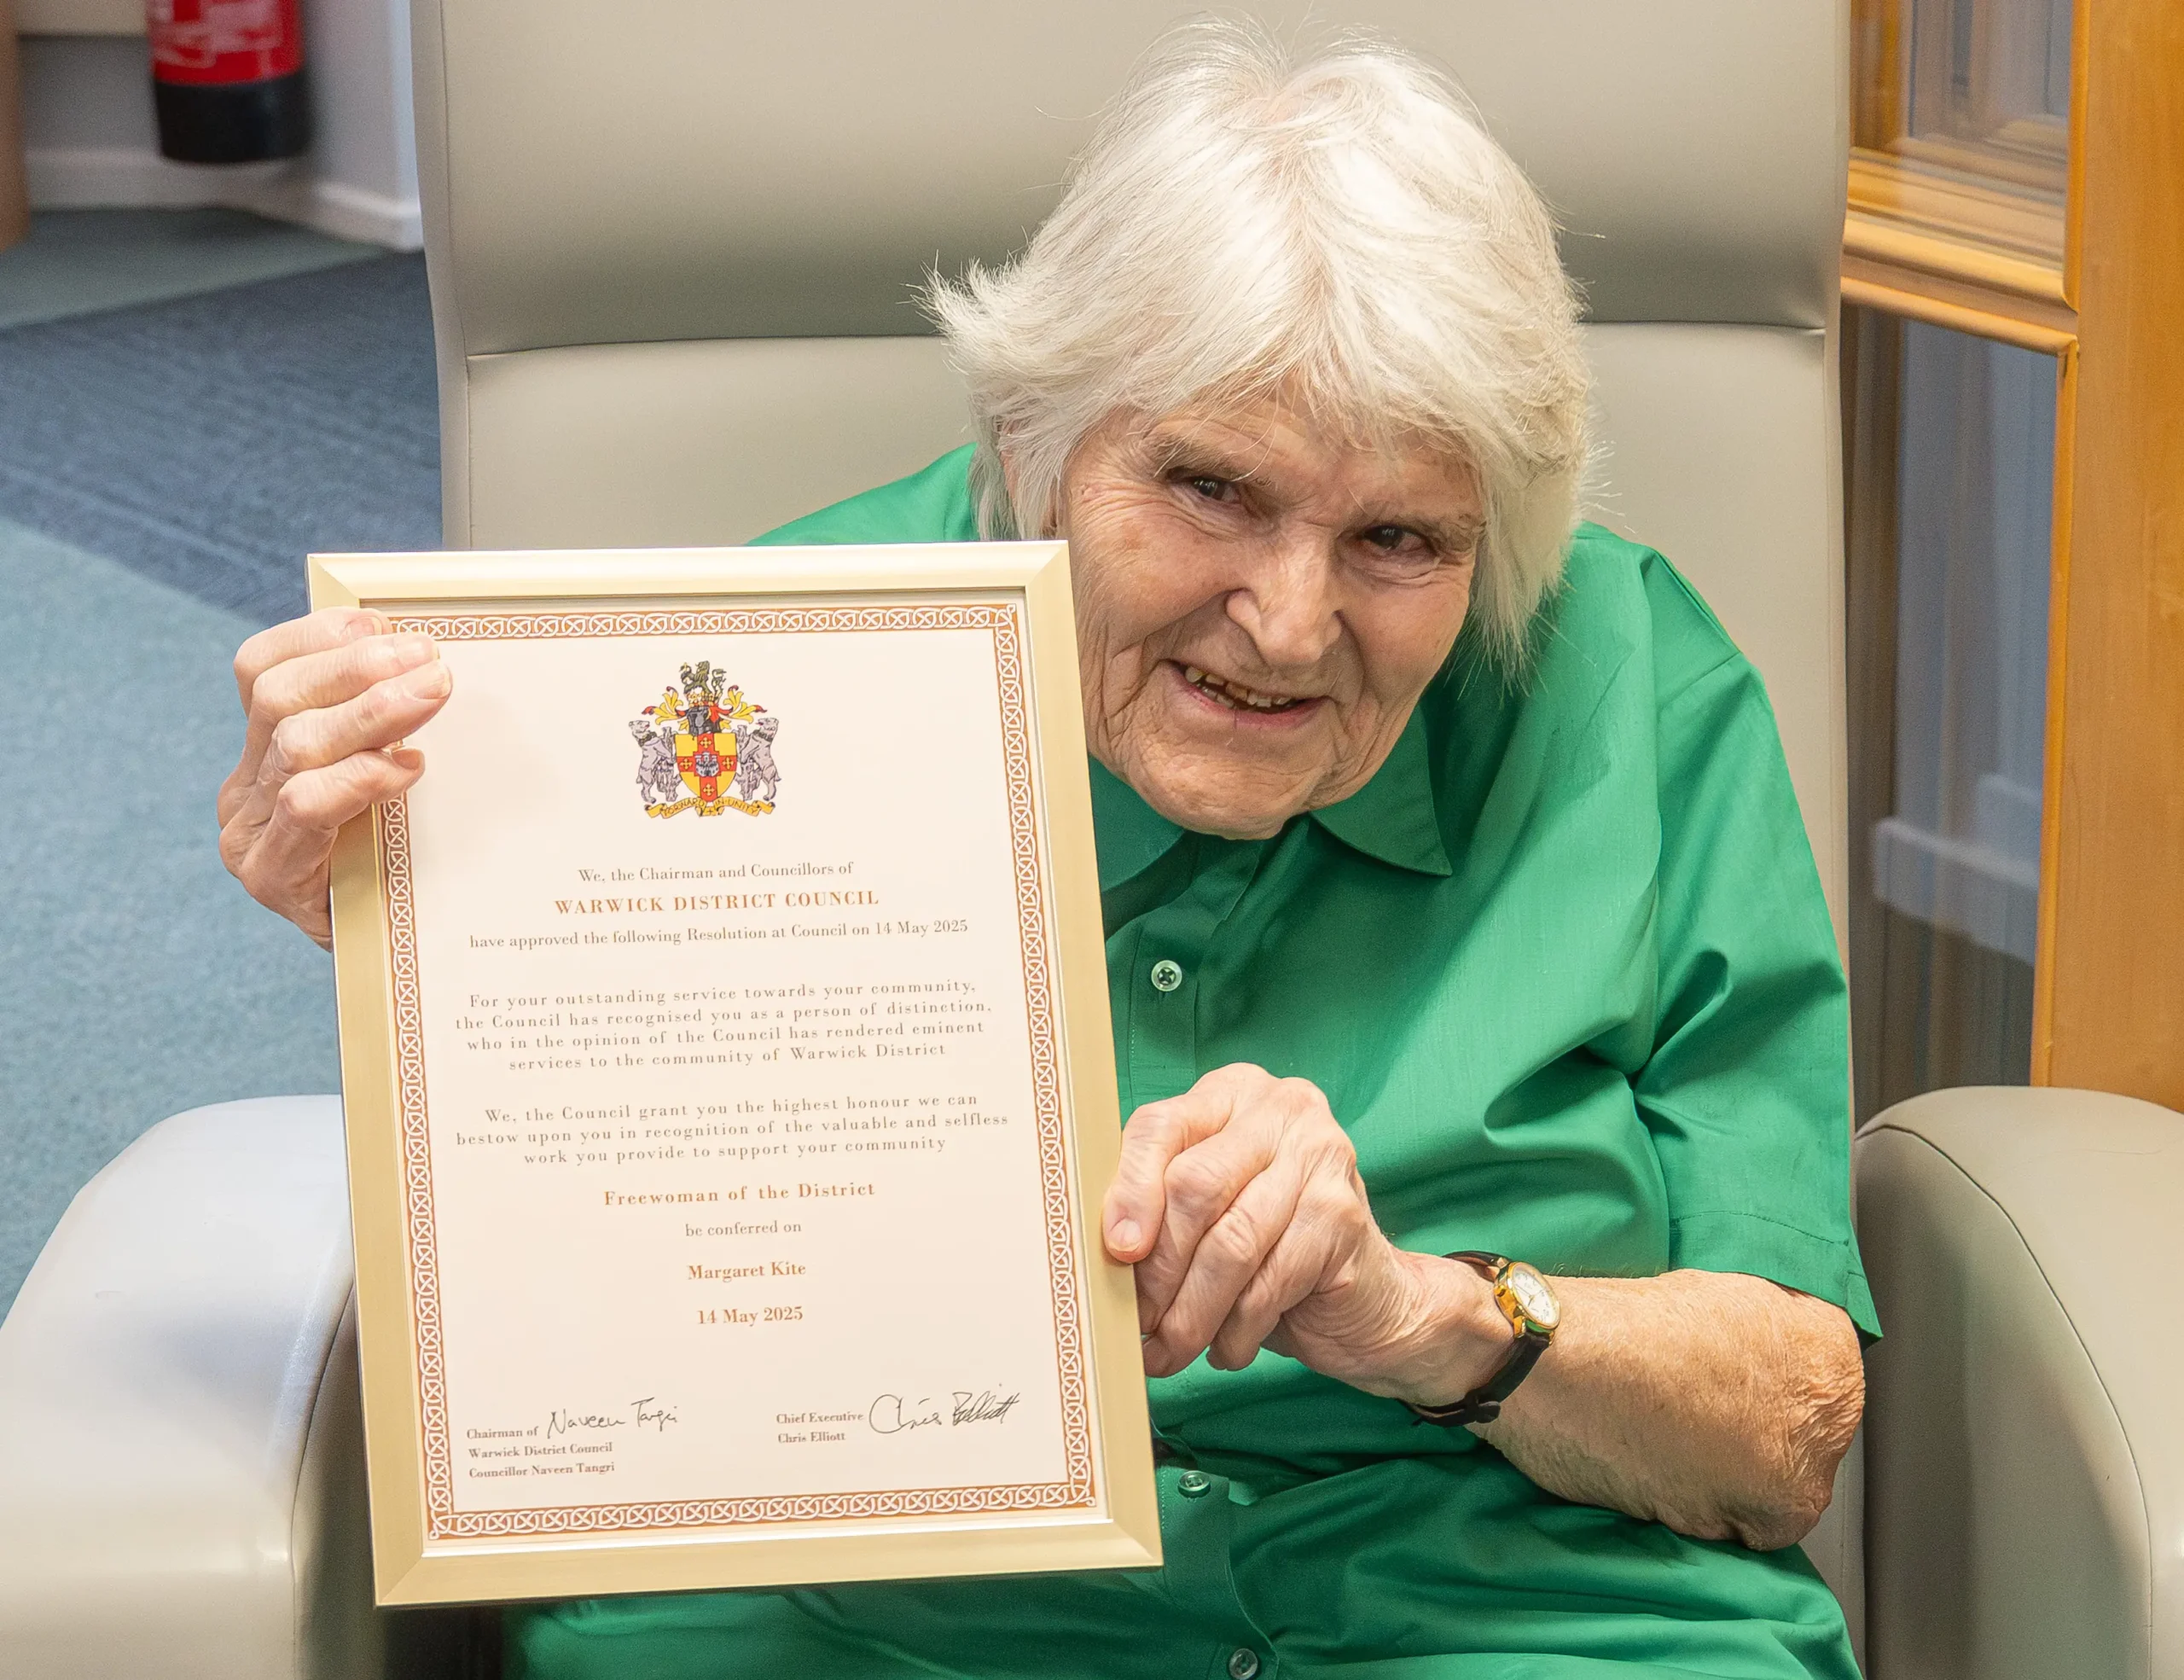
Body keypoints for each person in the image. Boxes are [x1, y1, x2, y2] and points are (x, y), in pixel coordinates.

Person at [218, 20, 1873, 1679]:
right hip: (867, 1622)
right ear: (1036, 444)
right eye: (1211, 488)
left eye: (1396, 538)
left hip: (1512, 1620)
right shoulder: (740, 689)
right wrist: (401, 927)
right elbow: (585, 1299)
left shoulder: (1631, 689)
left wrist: (1426, 1313)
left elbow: (1782, 1431)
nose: (1290, 625)